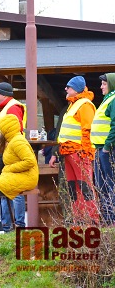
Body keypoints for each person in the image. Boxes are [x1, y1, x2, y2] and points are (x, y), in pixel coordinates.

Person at [0, 114, 39, 234]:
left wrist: (10, 168)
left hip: (27, 176)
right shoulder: (10, 141)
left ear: (7, 129)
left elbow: (30, 161)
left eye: (1, 129)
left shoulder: (18, 142)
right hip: (17, 174)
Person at [57, 75, 99, 224]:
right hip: (69, 151)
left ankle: (91, 220)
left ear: (76, 89)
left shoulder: (84, 105)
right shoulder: (74, 104)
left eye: (69, 87)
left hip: (79, 152)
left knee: (84, 186)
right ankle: (79, 219)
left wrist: (86, 153)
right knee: (74, 187)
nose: (66, 89)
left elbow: (87, 131)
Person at [0, 82, 27, 232]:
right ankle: (7, 224)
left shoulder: (12, 107)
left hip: (11, 152)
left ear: (3, 94)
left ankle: (18, 224)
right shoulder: (6, 107)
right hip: (6, 151)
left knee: (14, 189)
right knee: (4, 187)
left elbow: (15, 129)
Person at [91, 73, 115, 225]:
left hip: (108, 151)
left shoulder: (113, 100)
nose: (101, 87)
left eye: (104, 84)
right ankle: (107, 220)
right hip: (100, 149)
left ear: (111, 84)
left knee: (110, 184)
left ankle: (111, 220)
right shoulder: (107, 99)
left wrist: (107, 147)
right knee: (102, 185)